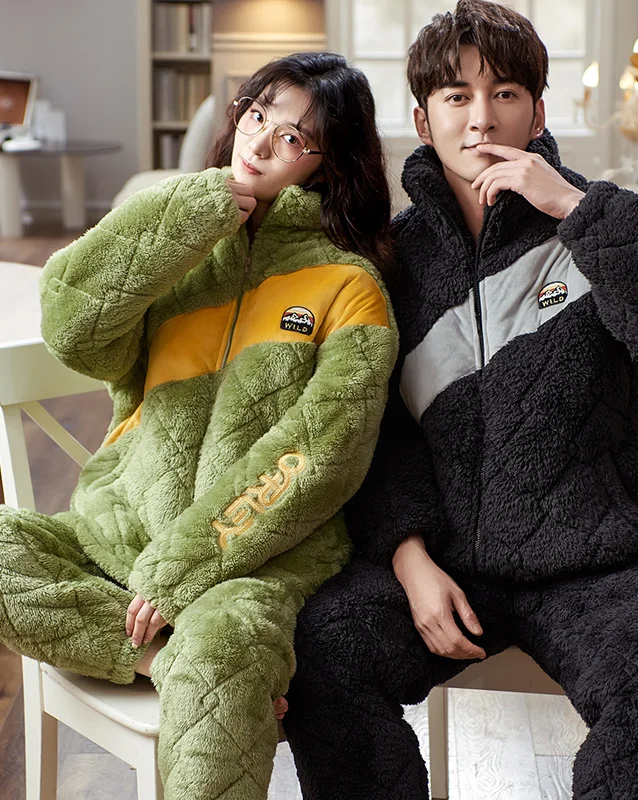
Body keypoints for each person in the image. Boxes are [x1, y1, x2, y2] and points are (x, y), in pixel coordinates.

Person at [282, 4, 638, 799]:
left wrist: (575, 209)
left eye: (504, 93)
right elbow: (370, 434)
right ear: (423, 120)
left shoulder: (604, 218)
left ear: (537, 113)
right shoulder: (386, 265)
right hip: (450, 568)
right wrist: (409, 560)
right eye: (456, 97)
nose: (481, 118)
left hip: (608, 562)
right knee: (322, 649)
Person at [0, 52, 398, 800]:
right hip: (115, 535)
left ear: (328, 164)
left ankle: (192, 663)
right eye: (257, 115)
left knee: (219, 658)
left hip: (252, 565)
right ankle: (156, 658)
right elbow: (71, 326)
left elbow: (325, 452)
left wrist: (184, 570)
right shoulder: (181, 250)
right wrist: (187, 211)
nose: (261, 142)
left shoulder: (350, 285)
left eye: (294, 137)